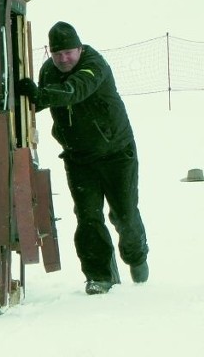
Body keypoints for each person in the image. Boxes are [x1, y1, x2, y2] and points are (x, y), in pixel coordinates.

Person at [17, 21, 149, 295]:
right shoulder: (49, 71)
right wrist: (22, 96)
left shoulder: (94, 65)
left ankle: (136, 256)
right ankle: (98, 275)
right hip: (79, 158)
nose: (63, 59)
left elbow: (74, 91)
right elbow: (43, 100)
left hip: (117, 153)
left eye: (68, 52)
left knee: (124, 214)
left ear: (79, 48)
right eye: (57, 54)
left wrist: (40, 94)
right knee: (88, 217)